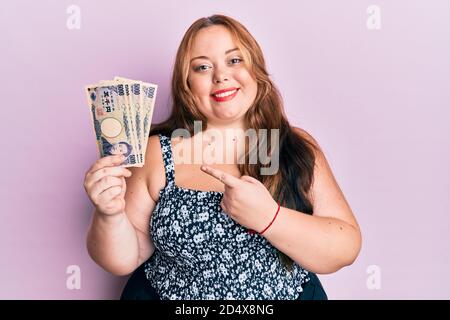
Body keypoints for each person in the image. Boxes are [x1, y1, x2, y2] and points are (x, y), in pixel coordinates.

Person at [83, 14, 362, 300]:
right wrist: (109, 214)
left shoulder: (293, 146)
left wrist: (269, 218)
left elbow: (345, 247)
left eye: (234, 60)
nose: (220, 75)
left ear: (256, 69)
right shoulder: (157, 153)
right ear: (186, 83)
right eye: (202, 67)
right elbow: (121, 260)